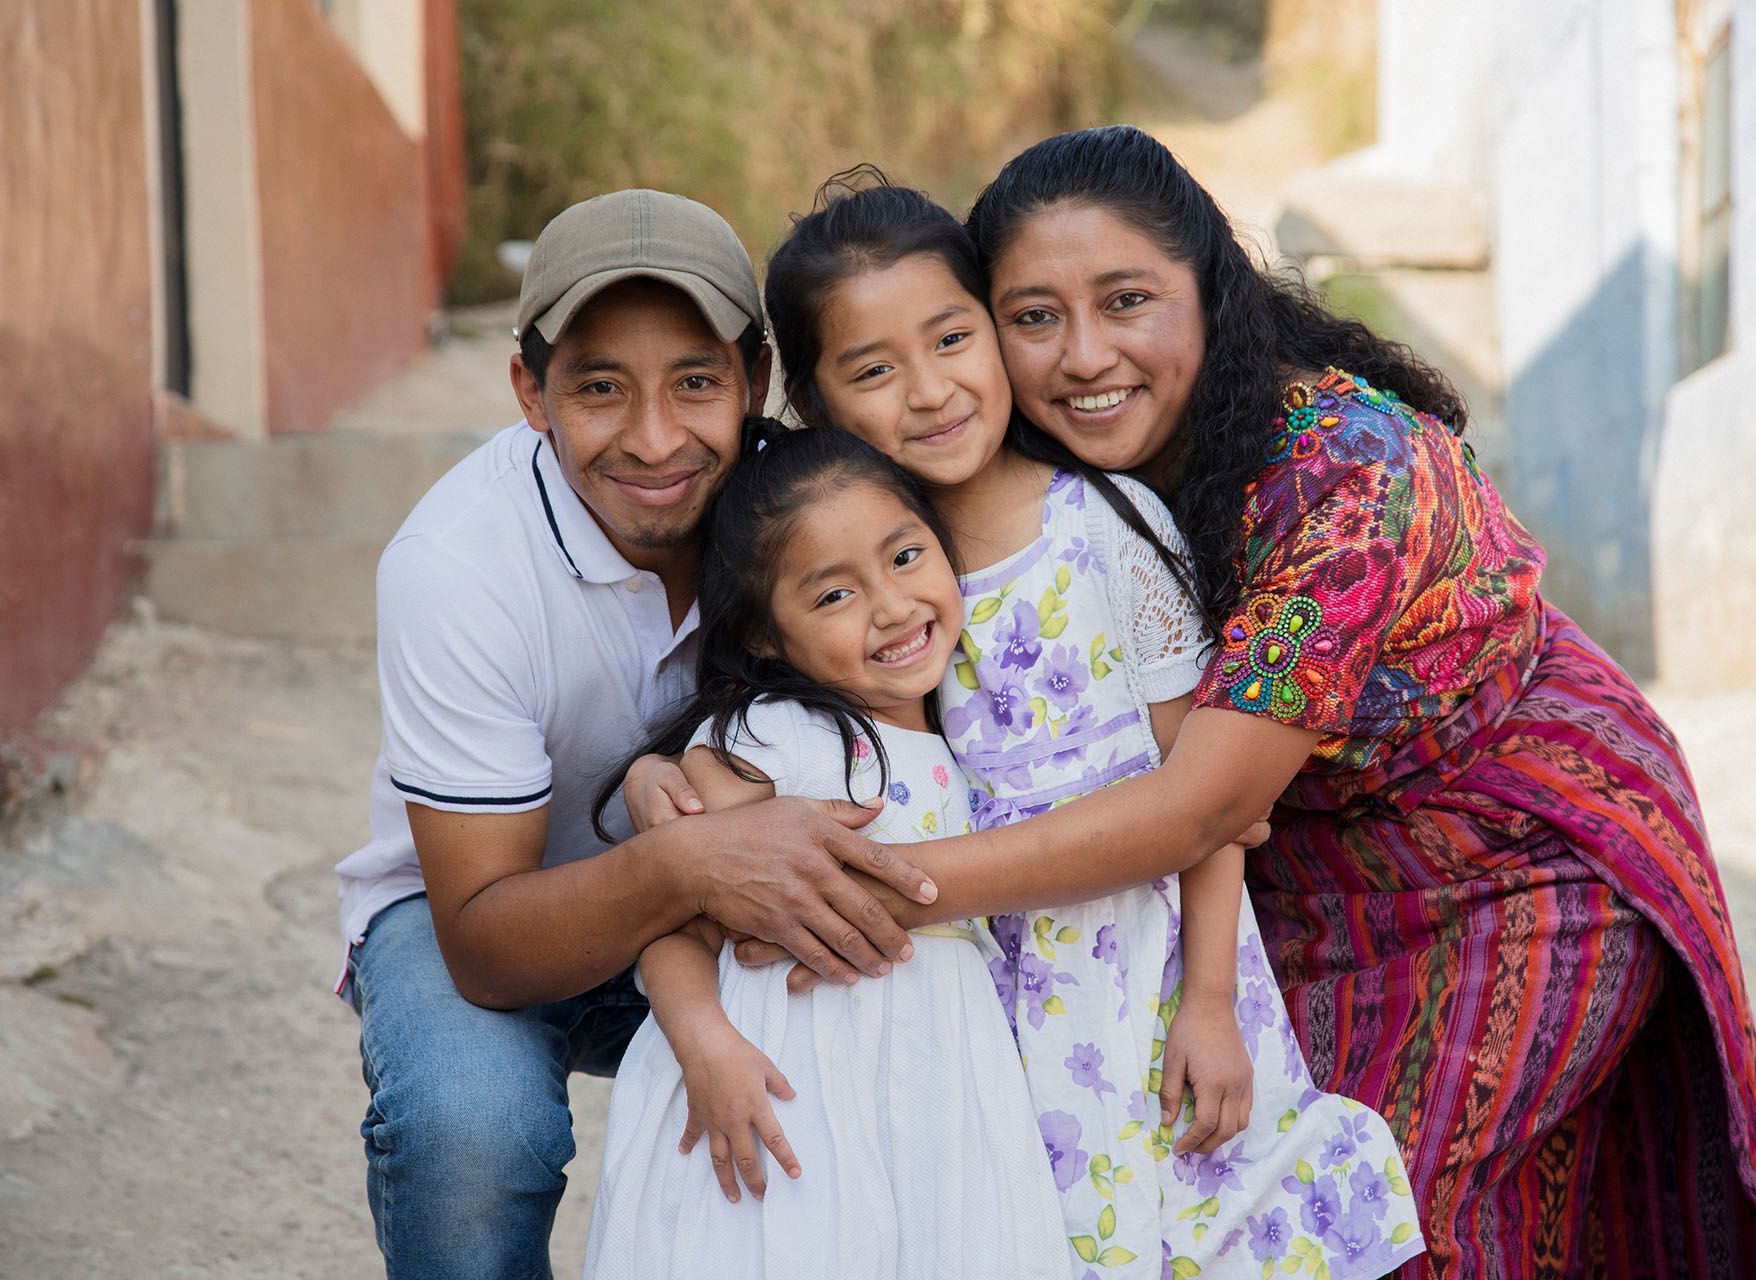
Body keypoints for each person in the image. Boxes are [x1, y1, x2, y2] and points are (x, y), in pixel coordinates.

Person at [945, 125, 1756, 1277]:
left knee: (1366, 1216)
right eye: (1032, 316)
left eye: (1127, 300)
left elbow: (1194, 808)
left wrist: (886, 886)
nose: (1081, 355)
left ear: (1214, 292)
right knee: (1247, 1201)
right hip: (1312, 894)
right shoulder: (1048, 481)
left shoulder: (1350, 474)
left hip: (1522, 859)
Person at [751, 174, 1424, 1276]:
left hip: (1145, 972)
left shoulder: (1109, 527)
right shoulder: (867, 585)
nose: (929, 392)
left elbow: (1201, 799)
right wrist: (666, 783)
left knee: (1194, 1221)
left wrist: (1210, 1000)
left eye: (953, 338)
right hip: (985, 997)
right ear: (818, 406)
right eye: (873, 371)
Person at [333, 189, 942, 1280]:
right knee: (472, 1130)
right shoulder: (458, 565)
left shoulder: (794, 508)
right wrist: (691, 856)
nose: (656, 439)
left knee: (903, 1039)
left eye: (696, 382)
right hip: (486, 912)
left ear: (756, 378)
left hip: (721, 896)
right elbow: (483, 940)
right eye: (600, 388)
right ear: (530, 390)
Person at [581, 425, 1075, 1278]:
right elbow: (674, 924)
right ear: (768, 637)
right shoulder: (782, 739)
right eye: (833, 597)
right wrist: (705, 1045)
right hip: (787, 1085)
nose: (890, 606)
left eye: (907, 556)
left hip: (941, 1086)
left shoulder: (978, 717)